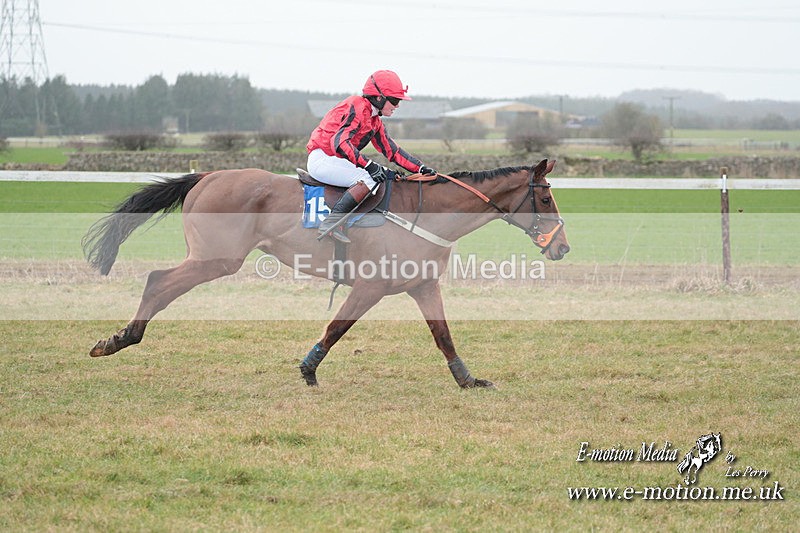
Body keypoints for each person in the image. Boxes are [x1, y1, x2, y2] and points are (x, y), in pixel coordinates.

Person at [306, 70, 438, 242]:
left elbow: (393, 151)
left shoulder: (374, 120)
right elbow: (339, 143)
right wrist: (369, 165)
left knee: (386, 173)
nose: (397, 105)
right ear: (378, 97)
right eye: (395, 100)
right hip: (323, 159)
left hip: (335, 160)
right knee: (368, 177)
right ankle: (331, 224)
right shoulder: (357, 106)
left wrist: (420, 167)